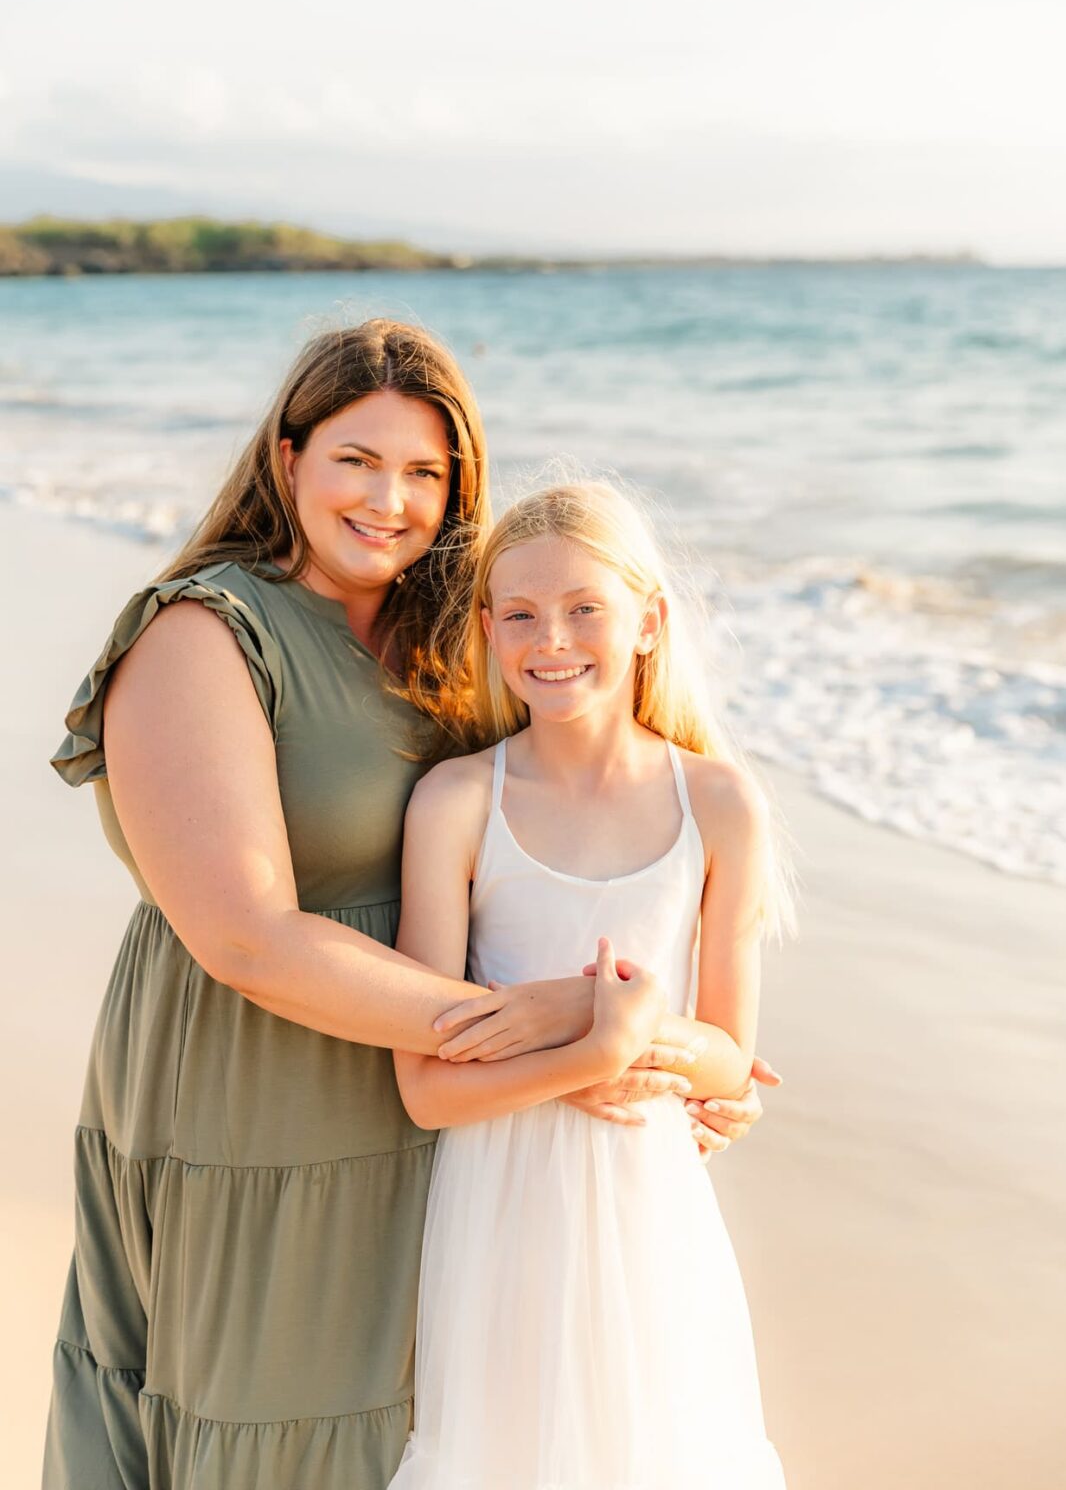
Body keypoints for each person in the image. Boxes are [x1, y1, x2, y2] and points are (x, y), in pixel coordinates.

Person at [43, 321, 776, 1490]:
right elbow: (246, 936)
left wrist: (684, 1056)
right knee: (265, 1422)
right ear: (288, 461)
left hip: (444, 1115)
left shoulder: (443, 637)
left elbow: (568, 832)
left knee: (424, 1430)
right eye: (355, 459)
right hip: (261, 1084)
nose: (389, 499)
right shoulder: (203, 632)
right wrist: (573, 1027)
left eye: (426, 472)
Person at [388, 481, 792, 1490]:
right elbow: (426, 1088)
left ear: (648, 621)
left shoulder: (718, 803)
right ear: (486, 627)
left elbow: (726, 1057)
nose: (550, 637)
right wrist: (589, 1048)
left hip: (649, 1202)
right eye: (519, 613)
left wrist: (614, 1022)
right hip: (497, 1209)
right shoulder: (454, 802)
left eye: (584, 608)